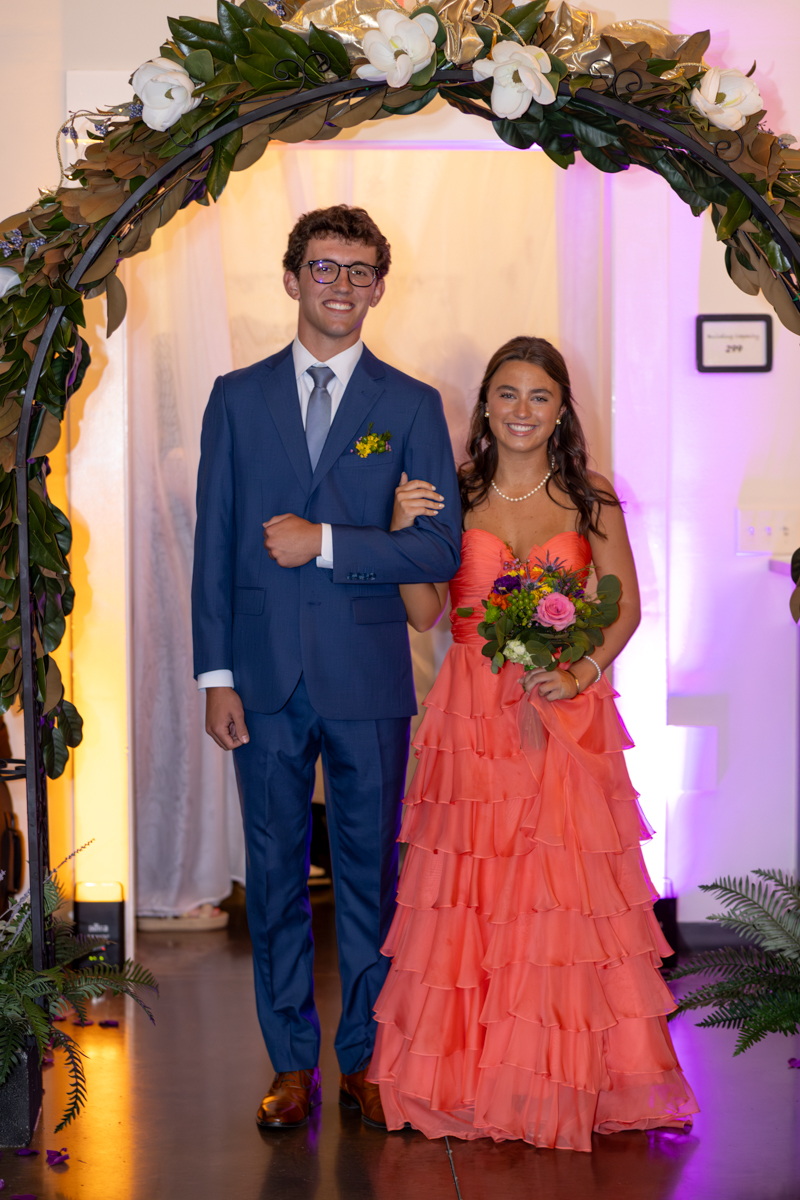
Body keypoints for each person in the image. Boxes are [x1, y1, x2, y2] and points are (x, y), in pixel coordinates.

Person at [368, 336, 698, 1151]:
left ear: (561, 409)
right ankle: (472, 1079)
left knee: (556, 895)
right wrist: (398, 528)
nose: (522, 410)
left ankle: (562, 1078)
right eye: (507, 394)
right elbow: (422, 613)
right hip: (470, 715)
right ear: (484, 404)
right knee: (472, 891)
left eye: (539, 396)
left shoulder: (591, 496)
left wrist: (582, 669)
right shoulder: (453, 493)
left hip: (563, 711)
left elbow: (622, 607)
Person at [191, 205, 461, 1130]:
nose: (340, 284)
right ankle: (290, 1063)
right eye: (323, 267)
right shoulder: (235, 396)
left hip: (367, 678)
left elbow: (436, 552)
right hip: (259, 681)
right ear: (292, 278)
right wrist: (214, 675)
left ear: (380, 284)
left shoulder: (413, 404)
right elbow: (216, 543)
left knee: (369, 878)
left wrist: (330, 542)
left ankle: (367, 1058)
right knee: (271, 877)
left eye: (358, 270)